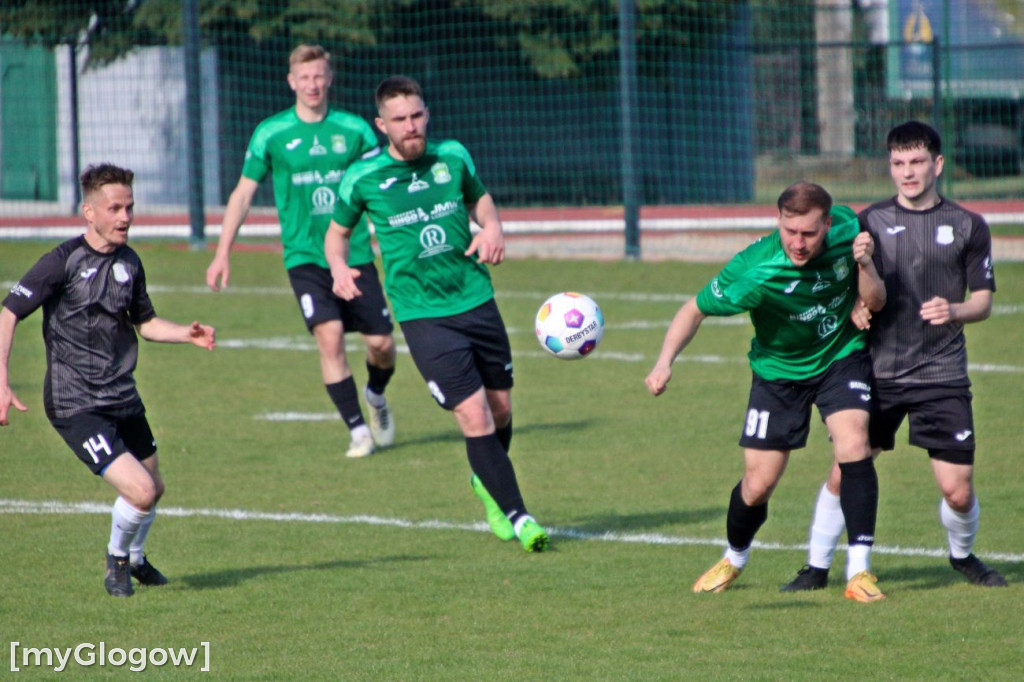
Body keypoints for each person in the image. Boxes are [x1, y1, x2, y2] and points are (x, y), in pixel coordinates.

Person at [324, 75, 549, 552]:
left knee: (501, 408)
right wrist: (340, 268)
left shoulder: (453, 156)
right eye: (400, 119)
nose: (412, 126)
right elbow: (337, 233)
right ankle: (518, 513)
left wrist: (493, 230)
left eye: (417, 115)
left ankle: (485, 481)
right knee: (474, 416)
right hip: (423, 314)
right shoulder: (362, 177)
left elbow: (480, 199)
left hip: (476, 298)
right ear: (381, 125)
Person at [781, 121, 1007, 591]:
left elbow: (983, 300)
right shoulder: (866, 223)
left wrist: (956, 309)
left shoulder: (968, 225)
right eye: (899, 163)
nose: (908, 172)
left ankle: (963, 557)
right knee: (846, 470)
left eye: (917, 162)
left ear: (937, 165)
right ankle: (816, 567)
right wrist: (857, 307)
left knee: (958, 491)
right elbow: (848, 291)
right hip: (878, 370)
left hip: (942, 372)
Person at [645, 182, 889, 602]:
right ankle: (734, 557)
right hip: (778, 375)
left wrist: (861, 286)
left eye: (810, 234)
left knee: (854, 444)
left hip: (840, 356)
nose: (798, 242)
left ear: (828, 224)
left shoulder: (849, 227)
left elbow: (876, 289)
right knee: (758, 485)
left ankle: (860, 571)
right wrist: (664, 361)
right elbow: (694, 309)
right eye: (790, 231)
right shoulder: (753, 269)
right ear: (778, 221)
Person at [0, 163, 216, 597]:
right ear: (89, 212)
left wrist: (185, 334)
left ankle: (135, 559)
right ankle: (117, 559)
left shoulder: (130, 263)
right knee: (139, 490)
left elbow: (146, 323)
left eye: (130, 207)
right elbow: (8, 312)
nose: (124, 217)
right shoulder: (60, 262)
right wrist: (1, 378)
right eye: (114, 208)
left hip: (122, 395)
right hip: (75, 402)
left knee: (154, 487)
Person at [206, 44, 396, 459]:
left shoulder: (357, 131)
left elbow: (380, 187)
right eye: (304, 77)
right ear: (291, 81)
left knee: (381, 343)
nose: (312, 84)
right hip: (305, 258)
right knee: (329, 339)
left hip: (354, 254)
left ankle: (376, 396)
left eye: (319, 76)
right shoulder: (271, 133)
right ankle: (358, 430)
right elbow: (241, 195)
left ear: (330, 79)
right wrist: (223, 252)